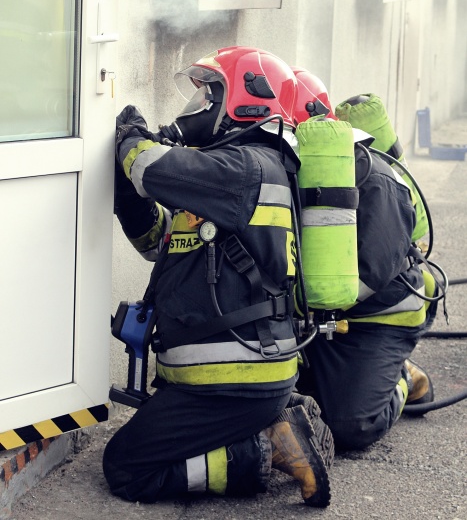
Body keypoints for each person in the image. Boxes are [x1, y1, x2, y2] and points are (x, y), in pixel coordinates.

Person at [104, 47, 333, 506]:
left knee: (127, 468)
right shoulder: (232, 176)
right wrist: (130, 201)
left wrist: (131, 138)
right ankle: (277, 421)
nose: (196, 108)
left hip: (234, 379)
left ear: (245, 101)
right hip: (237, 376)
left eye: (209, 95)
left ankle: (264, 450)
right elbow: (161, 246)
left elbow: (150, 166)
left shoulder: (246, 167)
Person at [291, 67, 436, 450]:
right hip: (323, 316)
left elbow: (372, 272)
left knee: (350, 424)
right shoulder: (278, 172)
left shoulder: (375, 179)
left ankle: (403, 377)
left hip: (379, 317)